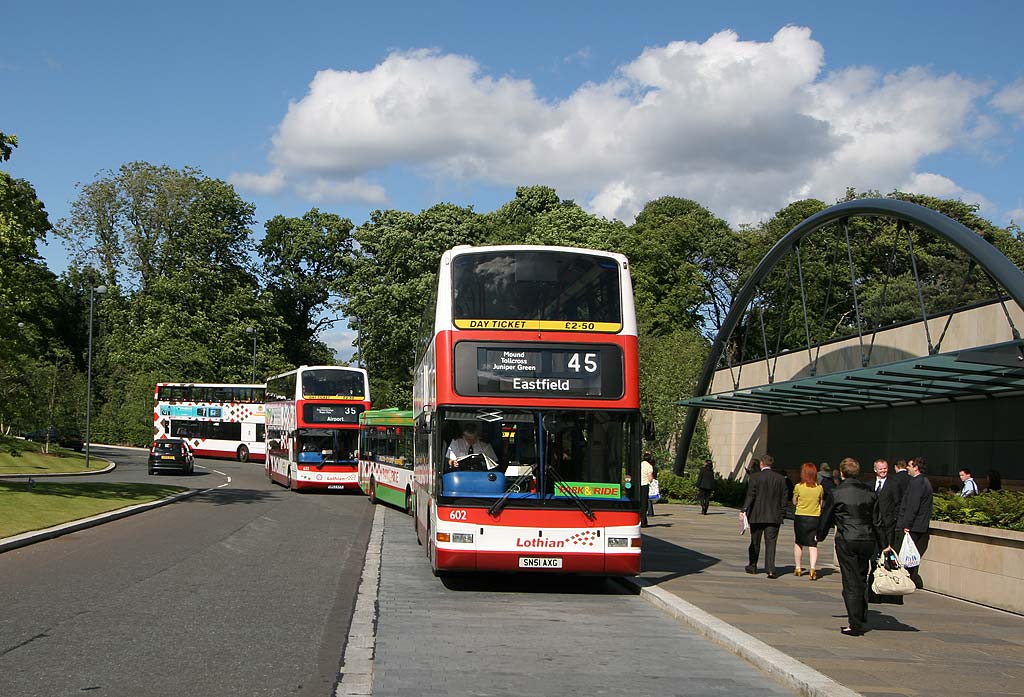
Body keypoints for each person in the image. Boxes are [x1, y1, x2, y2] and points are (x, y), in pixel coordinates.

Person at [816, 457, 880, 636]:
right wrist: (884, 544)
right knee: (861, 576)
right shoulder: (869, 492)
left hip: (847, 538)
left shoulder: (837, 493)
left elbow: (826, 517)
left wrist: (819, 536)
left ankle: (855, 623)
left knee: (850, 580)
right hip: (867, 539)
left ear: (842, 473)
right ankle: (861, 614)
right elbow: (877, 520)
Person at [741, 454, 789, 578]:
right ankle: (771, 569)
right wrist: (782, 512)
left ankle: (752, 565)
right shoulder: (780, 479)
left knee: (755, 541)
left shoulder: (755, 477)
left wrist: (744, 509)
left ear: (762, 463)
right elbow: (784, 497)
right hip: (774, 516)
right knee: (771, 543)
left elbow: (750, 495)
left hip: (757, 514)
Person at [896, 456, 933, 589]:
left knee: (907, 554)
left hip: (913, 526)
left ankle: (911, 579)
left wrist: (907, 524)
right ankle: (911, 578)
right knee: (910, 554)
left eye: (910, 466)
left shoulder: (917, 483)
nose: (907, 468)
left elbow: (913, 505)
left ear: (916, 467)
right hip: (919, 525)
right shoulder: (924, 482)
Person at [792, 462, 824, 580]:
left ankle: (798, 568)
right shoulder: (819, 488)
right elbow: (821, 503)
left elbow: (794, 502)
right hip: (814, 518)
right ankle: (812, 568)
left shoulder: (798, 486)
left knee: (798, 543)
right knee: (813, 544)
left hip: (800, 517)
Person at [639, 452, 654, 527]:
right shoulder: (649, 466)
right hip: (645, 485)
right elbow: (650, 478)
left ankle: (639, 520)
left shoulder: (640, 464)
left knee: (639, 503)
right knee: (644, 504)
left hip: (638, 486)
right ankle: (643, 521)